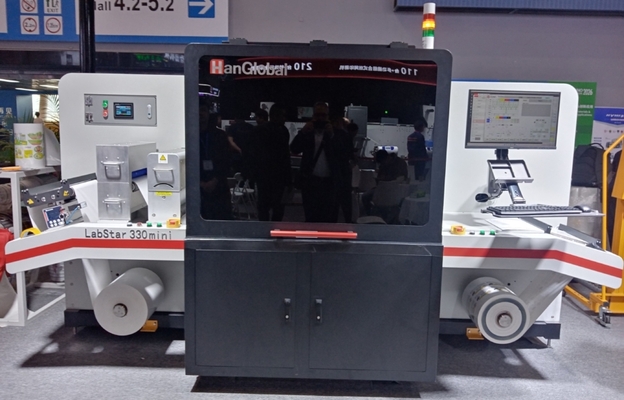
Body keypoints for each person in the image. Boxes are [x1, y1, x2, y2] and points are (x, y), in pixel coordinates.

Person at [290, 102, 341, 223]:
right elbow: (294, 149)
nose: (320, 118)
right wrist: (303, 132)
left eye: (323, 115)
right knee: (310, 217)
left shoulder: (335, 134)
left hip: (329, 182)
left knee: (329, 218)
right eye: (317, 115)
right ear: (313, 116)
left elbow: (342, 153)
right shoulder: (308, 133)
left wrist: (332, 135)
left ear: (328, 117)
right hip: (310, 181)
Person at [250, 104, 292, 221]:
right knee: (278, 209)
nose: (284, 119)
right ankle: (275, 229)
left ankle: (265, 230)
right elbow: (285, 156)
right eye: (282, 116)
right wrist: (288, 179)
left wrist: (253, 174)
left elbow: (253, 154)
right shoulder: (283, 131)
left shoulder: (259, 130)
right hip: (278, 176)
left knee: (264, 208)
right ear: (275, 116)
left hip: (264, 176)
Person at [199, 105, 232, 220]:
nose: (200, 113)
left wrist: (215, 180)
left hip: (219, 185)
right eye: (197, 110)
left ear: (208, 113)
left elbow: (227, 160)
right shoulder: (188, 136)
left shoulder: (220, 135)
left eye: (203, 110)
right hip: (197, 188)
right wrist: (200, 183)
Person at [362, 149, 408, 215]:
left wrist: (382, 180)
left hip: (390, 189)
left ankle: (370, 215)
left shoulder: (396, 164)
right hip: (393, 190)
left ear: (387, 158)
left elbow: (381, 179)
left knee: (365, 197)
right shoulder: (401, 163)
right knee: (365, 196)